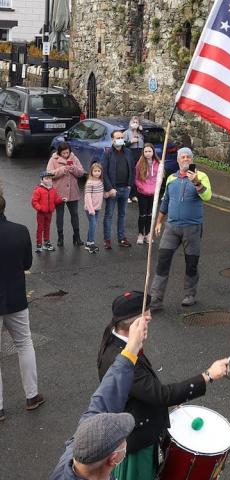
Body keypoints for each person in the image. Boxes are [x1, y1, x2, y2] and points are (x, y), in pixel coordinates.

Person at [96, 291, 229, 479]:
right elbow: (160, 395)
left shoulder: (115, 339)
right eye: (146, 318)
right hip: (137, 441)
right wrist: (208, 375)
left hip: (135, 427)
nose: (150, 317)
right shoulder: (122, 357)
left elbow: (144, 391)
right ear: (133, 325)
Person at [50, 316, 146, 480]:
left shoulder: (75, 454)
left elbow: (102, 402)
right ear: (114, 458)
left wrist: (131, 349)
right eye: (123, 439)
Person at [148, 148, 212, 309]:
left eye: (188, 157)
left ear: (192, 159)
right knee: (162, 262)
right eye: (182, 157)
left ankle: (189, 294)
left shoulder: (202, 176)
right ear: (177, 160)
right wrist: (158, 222)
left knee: (191, 263)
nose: (185, 159)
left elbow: (207, 196)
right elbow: (165, 201)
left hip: (192, 229)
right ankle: (156, 298)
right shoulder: (171, 178)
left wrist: (196, 182)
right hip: (171, 228)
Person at [0, 192, 43, 422]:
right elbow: (26, 263)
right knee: (24, 344)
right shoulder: (20, 231)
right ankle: (32, 395)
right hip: (16, 297)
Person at [46, 142, 85, 247]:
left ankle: (77, 236)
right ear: (59, 152)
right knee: (60, 215)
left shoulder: (74, 158)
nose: (66, 155)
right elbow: (48, 174)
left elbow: (81, 172)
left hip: (73, 192)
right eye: (63, 153)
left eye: (67, 153)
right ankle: (60, 237)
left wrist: (73, 168)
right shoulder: (53, 159)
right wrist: (63, 169)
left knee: (75, 214)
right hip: (59, 192)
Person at [102, 130, 136, 249]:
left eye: (122, 137)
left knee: (122, 215)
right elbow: (104, 172)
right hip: (113, 190)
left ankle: (121, 238)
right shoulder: (108, 153)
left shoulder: (128, 152)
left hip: (125, 188)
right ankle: (107, 240)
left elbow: (132, 168)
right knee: (109, 215)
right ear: (112, 140)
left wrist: (130, 185)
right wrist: (110, 188)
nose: (120, 139)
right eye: (118, 137)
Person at [133, 144, 160, 245]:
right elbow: (136, 178)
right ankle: (140, 233)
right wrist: (141, 187)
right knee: (142, 214)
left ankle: (148, 234)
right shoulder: (140, 163)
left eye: (149, 151)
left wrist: (156, 187)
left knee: (150, 215)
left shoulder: (158, 163)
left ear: (153, 152)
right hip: (143, 192)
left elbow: (160, 176)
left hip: (153, 193)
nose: (148, 153)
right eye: (146, 152)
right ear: (143, 153)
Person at [32, 171, 64, 253]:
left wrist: (61, 199)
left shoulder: (53, 189)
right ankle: (39, 244)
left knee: (47, 228)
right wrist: (40, 208)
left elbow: (55, 200)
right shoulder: (38, 190)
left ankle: (46, 242)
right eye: (46, 178)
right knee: (40, 228)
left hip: (49, 212)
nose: (49, 180)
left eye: (50, 178)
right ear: (41, 180)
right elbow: (34, 202)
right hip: (41, 213)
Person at [83, 163, 106, 254]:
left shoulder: (100, 182)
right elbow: (87, 197)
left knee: (92, 225)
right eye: (95, 171)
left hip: (97, 208)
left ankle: (88, 243)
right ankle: (91, 243)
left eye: (98, 171)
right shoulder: (89, 183)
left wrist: (107, 194)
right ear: (91, 172)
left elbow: (101, 193)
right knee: (93, 224)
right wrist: (91, 209)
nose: (97, 173)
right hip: (90, 209)